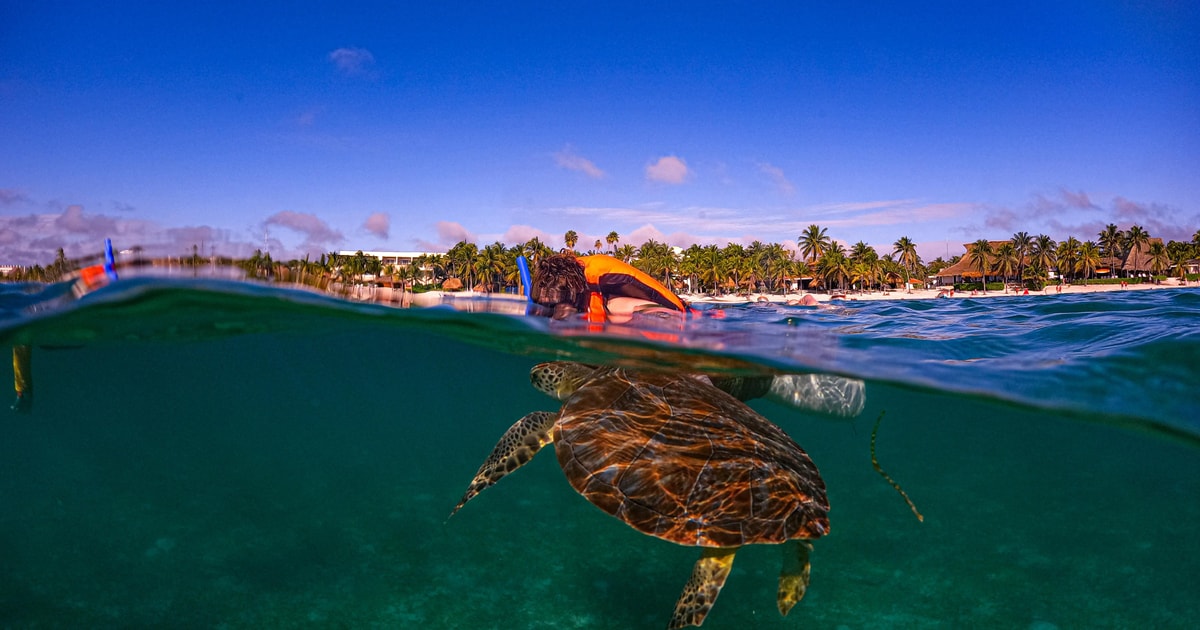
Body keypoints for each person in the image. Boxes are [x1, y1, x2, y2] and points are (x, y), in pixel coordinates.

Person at [531, 253, 690, 323]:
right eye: (544, 306)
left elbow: (666, 316)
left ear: (574, 294)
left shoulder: (611, 304)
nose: (550, 315)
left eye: (553, 306)